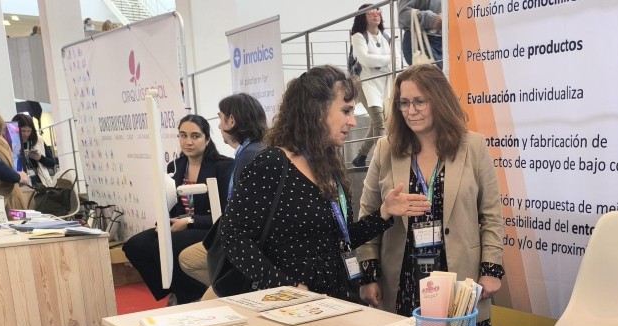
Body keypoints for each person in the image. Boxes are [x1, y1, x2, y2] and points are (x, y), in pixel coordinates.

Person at [220, 65, 430, 300]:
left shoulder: (328, 165)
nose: (352, 121)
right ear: (316, 111)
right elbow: (232, 236)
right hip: (290, 306)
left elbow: (341, 238)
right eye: (346, 111)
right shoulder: (273, 163)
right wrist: (284, 285)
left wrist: (384, 213)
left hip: (333, 299)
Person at [357, 64, 505, 326]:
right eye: (403, 103)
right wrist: (369, 276)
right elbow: (368, 214)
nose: (410, 111)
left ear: (439, 100)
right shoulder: (386, 148)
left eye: (419, 101)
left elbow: (491, 215)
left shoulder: (473, 146)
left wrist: (491, 269)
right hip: (403, 278)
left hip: (459, 277)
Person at [123, 115, 232, 304]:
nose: (188, 142)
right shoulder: (175, 166)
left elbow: (224, 213)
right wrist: (164, 222)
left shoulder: (224, 166)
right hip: (180, 223)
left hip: (209, 227)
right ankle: (176, 290)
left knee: (168, 245)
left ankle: (187, 296)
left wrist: (189, 222)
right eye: (183, 135)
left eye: (195, 136)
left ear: (207, 139)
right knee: (134, 245)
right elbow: (171, 205)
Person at [179, 93, 269, 288]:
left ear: (231, 121)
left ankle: (236, 292)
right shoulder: (254, 151)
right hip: (240, 240)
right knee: (187, 258)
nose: (219, 126)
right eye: (183, 135)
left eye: (220, 119)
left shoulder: (250, 156)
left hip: (247, 246)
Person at [349, 4, 392, 168]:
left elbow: (395, 58)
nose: (376, 14)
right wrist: (386, 59)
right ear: (363, 16)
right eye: (371, 12)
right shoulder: (358, 37)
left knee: (377, 122)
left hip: (384, 83)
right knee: (379, 121)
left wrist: (376, 59)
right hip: (366, 84)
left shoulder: (386, 37)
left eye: (378, 10)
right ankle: (382, 160)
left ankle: (361, 156)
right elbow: (365, 60)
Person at [12, 113, 57, 186]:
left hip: (42, 183)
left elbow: (52, 162)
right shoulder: (10, 143)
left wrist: (40, 158)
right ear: (15, 129)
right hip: (22, 184)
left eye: (29, 131)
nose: (26, 134)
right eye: (23, 131)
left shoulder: (38, 140)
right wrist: (20, 156)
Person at [398, 0, 443, 67]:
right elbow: (403, 15)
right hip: (419, 38)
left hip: (442, 41)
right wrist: (431, 19)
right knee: (432, 72)